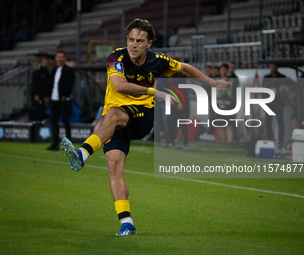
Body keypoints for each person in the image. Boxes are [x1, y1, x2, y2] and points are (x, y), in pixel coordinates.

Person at [60, 19, 231, 236]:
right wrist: (156, 92)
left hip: (142, 117)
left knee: (112, 114)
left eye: (139, 41)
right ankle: (127, 223)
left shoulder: (158, 61)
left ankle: (82, 154)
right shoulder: (117, 57)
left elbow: (185, 69)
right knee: (113, 166)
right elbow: (119, 85)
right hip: (115, 122)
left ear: (149, 43)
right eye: (131, 39)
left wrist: (213, 83)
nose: (133, 44)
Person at [46, 50, 75, 150]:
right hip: (54, 99)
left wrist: (64, 96)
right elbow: (50, 84)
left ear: (65, 58)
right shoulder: (53, 70)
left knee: (66, 122)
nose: (60, 59)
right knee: (54, 122)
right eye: (58, 57)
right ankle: (55, 144)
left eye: (62, 57)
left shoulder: (69, 70)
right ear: (55, 58)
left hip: (64, 100)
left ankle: (69, 145)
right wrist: (50, 95)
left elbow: (70, 84)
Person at [262, 64, 286, 149]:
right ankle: (269, 140)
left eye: (274, 66)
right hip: (268, 103)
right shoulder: (266, 77)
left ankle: (281, 140)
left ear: (277, 67)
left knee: (280, 121)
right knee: (268, 122)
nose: (273, 68)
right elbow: (263, 90)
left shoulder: (282, 77)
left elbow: (284, 90)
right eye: (271, 67)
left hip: (279, 103)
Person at [215, 63, 238, 144]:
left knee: (229, 124)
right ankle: (222, 141)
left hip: (229, 105)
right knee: (220, 124)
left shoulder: (232, 80)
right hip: (219, 104)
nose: (223, 71)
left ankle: (230, 141)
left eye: (225, 69)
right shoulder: (216, 80)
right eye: (222, 69)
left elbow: (235, 93)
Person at [29, 56, 50, 121]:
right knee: (38, 110)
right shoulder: (37, 73)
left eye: (46, 62)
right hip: (38, 96)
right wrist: (35, 94)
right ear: (41, 63)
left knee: (44, 111)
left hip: (45, 96)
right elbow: (34, 84)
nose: (45, 63)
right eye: (43, 61)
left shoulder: (47, 73)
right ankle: (34, 124)